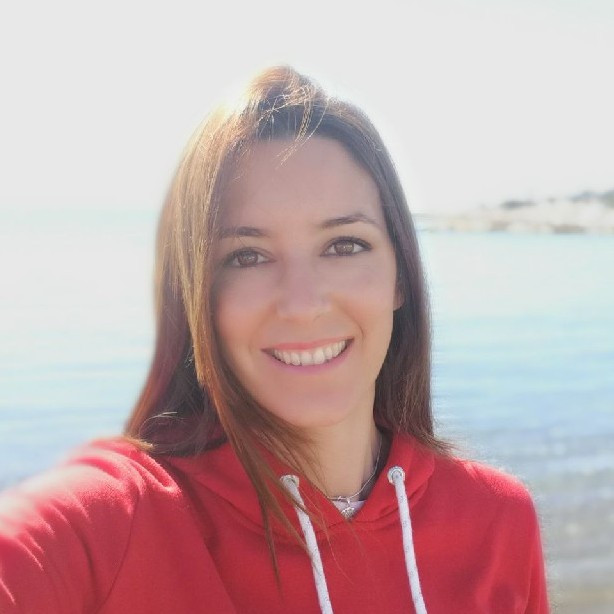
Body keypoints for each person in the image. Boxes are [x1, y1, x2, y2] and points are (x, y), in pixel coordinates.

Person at [0, 66, 549, 613]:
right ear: (198, 297)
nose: (303, 304)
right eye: (248, 256)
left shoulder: (498, 519)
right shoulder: (117, 521)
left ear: (400, 276)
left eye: (344, 245)